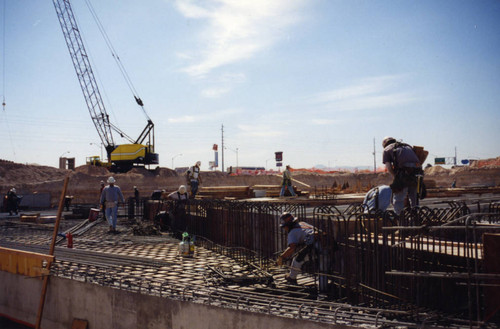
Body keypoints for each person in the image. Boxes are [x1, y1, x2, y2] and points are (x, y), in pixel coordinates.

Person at [382, 137, 421, 215]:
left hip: (403, 173)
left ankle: (400, 221)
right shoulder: (407, 146)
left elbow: (389, 167)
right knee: (414, 198)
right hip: (418, 173)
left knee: (398, 199)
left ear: (384, 144)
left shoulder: (386, 149)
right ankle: (416, 219)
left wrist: (396, 177)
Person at [277, 212, 318, 285]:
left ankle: (292, 278)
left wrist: (282, 257)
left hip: (315, 246)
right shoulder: (303, 223)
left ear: (288, 225)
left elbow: (291, 248)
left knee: (297, 260)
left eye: (284, 227)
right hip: (325, 243)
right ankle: (323, 287)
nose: (284, 229)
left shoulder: (292, 232)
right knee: (324, 268)